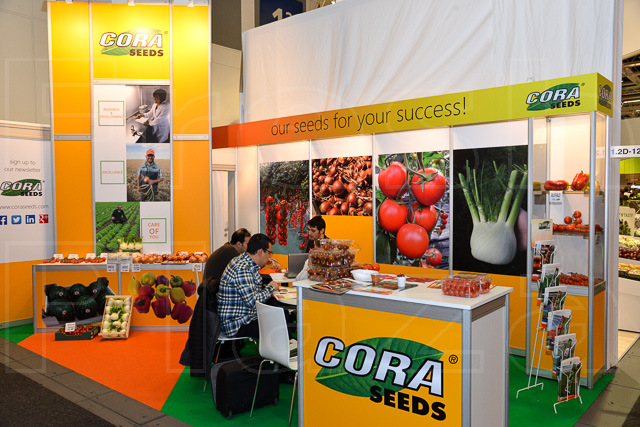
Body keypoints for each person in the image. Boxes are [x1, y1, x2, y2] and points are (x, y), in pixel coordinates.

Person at [218, 233, 281, 339]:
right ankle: (282, 347)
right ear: (260, 252)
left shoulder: (242, 261)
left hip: (240, 318)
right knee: (279, 319)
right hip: (237, 324)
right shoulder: (243, 269)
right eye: (269, 253)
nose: (270, 256)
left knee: (277, 311)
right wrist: (270, 287)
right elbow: (253, 302)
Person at [202, 228, 251, 293]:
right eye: (247, 244)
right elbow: (243, 271)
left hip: (209, 289)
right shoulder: (230, 252)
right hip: (213, 292)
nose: (249, 246)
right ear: (239, 244)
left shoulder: (227, 248)